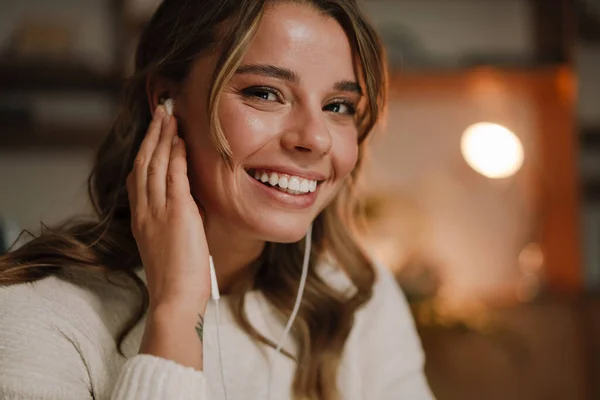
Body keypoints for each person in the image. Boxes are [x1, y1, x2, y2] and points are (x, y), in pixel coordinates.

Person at [0, 0, 434, 399]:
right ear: (164, 100)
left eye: (338, 106)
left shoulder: (358, 294)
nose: (316, 138)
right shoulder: (34, 315)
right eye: (264, 93)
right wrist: (175, 312)